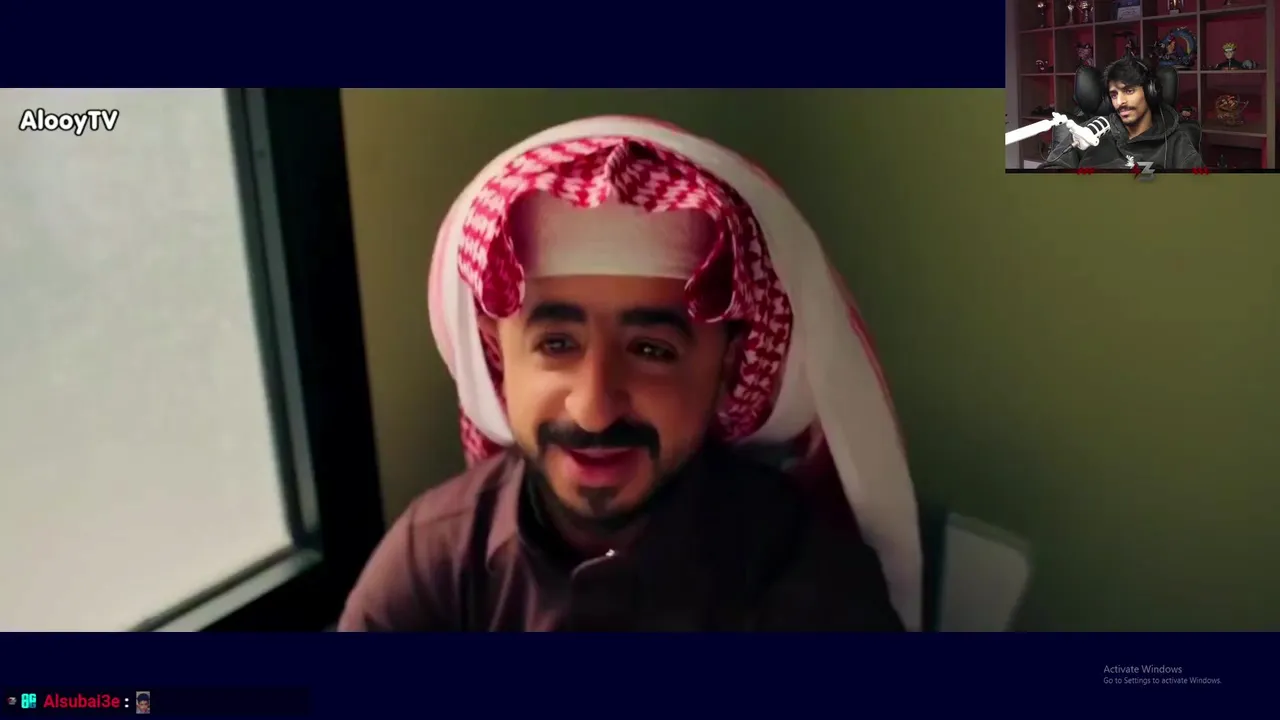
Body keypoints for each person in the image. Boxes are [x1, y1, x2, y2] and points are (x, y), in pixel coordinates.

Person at [339, 116, 922, 632]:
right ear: (498, 353)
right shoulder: (436, 560)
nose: (594, 409)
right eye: (557, 344)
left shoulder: (804, 581)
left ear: (727, 366)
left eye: (651, 350)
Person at [1042, 56, 1204, 170]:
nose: (1120, 102)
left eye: (1129, 91)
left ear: (1150, 92)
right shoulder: (1090, 130)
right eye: (1114, 95)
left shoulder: (1176, 142)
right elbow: (1052, 170)